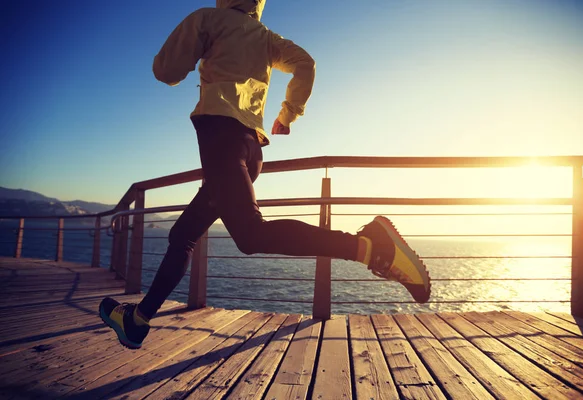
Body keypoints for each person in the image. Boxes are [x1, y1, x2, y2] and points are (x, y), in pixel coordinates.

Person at [99, 0, 430, 350]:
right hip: (251, 149)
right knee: (182, 235)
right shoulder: (267, 38)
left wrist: (196, 51)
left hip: (221, 142)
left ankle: (369, 248)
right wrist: (287, 116)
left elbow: (166, 71)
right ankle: (137, 321)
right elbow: (306, 64)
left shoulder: (208, 19)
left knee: (250, 236)